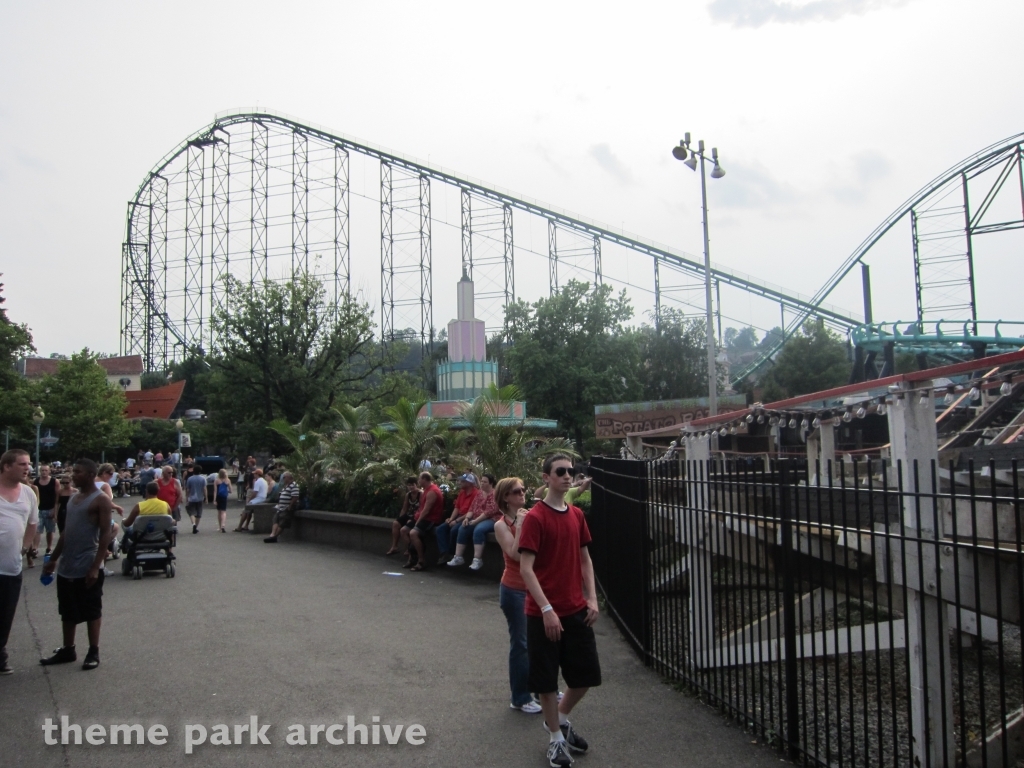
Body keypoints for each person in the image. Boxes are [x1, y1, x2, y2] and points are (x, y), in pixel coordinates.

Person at [518, 454, 600, 768]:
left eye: (571, 472)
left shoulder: (577, 515)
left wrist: (591, 598)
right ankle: (555, 739)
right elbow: (526, 569)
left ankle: (560, 719)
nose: (568, 476)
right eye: (561, 472)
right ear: (547, 477)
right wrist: (547, 608)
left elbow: (585, 560)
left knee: (585, 676)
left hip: (575, 609)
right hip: (543, 613)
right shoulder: (537, 518)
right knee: (546, 681)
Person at [40, 458, 115, 671]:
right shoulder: (73, 499)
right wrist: (53, 558)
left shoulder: (101, 500)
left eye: (78, 472)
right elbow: (66, 532)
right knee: (67, 610)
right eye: (74, 472)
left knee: (91, 609)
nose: (73, 476)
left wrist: (95, 566)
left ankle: (93, 650)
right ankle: (68, 649)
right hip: (67, 565)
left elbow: (105, 534)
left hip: (87, 564)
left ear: (91, 475)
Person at [493, 476, 541, 713]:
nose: (522, 494)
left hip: (535, 588)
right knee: (521, 644)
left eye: (523, 489)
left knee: (538, 642)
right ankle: (520, 697)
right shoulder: (501, 525)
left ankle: (542, 690)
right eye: (516, 491)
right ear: (505, 497)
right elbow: (515, 554)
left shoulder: (529, 516)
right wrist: (521, 525)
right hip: (514, 590)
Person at [0, 450, 39, 675]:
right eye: (22, 464)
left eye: (29, 464)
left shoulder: (28, 493)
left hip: (11, 566)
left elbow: (32, 523)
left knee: (5, 614)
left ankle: (0, 653)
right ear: (6, 466)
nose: (28, 468)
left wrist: (24, 547)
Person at [447, 473, 499, 570]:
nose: (482, 483)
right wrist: (467, 518)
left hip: (491, 519)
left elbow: (489, 512)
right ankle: (458, 556)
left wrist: (475, 521)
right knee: (463, 527)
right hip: (475, 517)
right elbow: (471, 508)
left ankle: (477, 559)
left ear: (491, 483)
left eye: (485, 482)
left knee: (479, 529)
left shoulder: (495, 494)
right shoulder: (479, 493)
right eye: (482, 481)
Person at [402, 471, 443, 571]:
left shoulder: (432, 491)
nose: (418, 480)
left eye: (420, 478)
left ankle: (421, 560)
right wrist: (414, 518)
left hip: (430, 519)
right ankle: (412, 556)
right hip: (420, 517)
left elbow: (426, 510)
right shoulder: (425, 490)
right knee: (403, 530)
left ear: (424, 479)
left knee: (413, 533)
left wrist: (417, 521)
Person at [435, 473, 479, 565]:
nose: (460, 483)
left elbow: (472, 511)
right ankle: (445, 552)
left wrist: (456, 521)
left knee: (454, 530)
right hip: (459, 516)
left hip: (468, 518)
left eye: (463, 481)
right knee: (440, 529)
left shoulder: (476, 494)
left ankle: (452, 553)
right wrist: (451, 519)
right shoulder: (462, 493)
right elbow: (457, 507)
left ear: (469, 483)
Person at [386, 477, 421, 556]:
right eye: (409, 485)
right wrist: (400, 519)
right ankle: (394, 546)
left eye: (412, 485)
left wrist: (413, 519)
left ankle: (410, 548)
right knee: (395, 523)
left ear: (416, 485)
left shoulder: (420, 494)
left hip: (417, 516)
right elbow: (404, 508)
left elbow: (421, 508)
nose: (411, 487)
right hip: (409, 514)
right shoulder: (408, 495)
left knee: (404, 530)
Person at [263, 472, 299, 543]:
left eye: (284, 477)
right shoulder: (286, 486)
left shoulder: (294, 485)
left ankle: (275, 536)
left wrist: (290, 506)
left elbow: (295, 497)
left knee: (283, 522)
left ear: (289, 478)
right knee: (275, 519)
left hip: (286, 507)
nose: (283, 479)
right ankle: (272, 535)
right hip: (280, 507)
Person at [33, 463, 58, 556]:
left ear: (49, 471)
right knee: (37, 530)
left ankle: (49, 548)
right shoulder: (36, 481)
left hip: (50, 508)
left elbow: (57, 497)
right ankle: (35, 548)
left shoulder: (54, 481)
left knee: (50, 530)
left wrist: (54, 510)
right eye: (42, 470)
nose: (44, 472)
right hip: (39, 508)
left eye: (46, 470)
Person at [185, 465, 207, 534]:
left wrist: (187, 497)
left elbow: (188, 489)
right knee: (199, 513)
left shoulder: (190, 479)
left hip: (191, 498)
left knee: (191, 513)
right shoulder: (203, 479)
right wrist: (206, 497)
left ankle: (193, 524)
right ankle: (196, 527)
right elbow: (204, 489)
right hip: (200, 498)